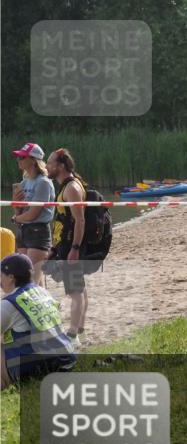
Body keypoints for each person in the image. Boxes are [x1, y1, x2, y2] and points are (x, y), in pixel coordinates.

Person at [1, 253, 75, 389]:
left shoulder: (9, 303)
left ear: (11, 277)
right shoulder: (43, 292)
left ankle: (3, 385)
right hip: (66, 359)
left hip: (38, 368)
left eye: (1, 276)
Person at [44, 148, 93, 338]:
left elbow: (80, 221)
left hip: (72, 246)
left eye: (50, 163)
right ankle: (80, 326)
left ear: (61, 166)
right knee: (79, 288)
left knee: (75, 291)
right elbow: (64, 221)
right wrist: (55, 247)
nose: (47, 166)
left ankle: (72, 332)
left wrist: (75, 249)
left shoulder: (72, 188)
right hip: (65, 245)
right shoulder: (66, 186)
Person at [10, 143, 55, 286]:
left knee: (30, 281)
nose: (18, 160)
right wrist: (16, 205)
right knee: (35, 281)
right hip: (24, 230)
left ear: (33, 160)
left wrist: (15, 218)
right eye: (18, 157)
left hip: (38, 231)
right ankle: (47, 307)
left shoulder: (43, 183)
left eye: (22, 157)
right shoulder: (24, 182)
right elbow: (21, 212)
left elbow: (33, 214)